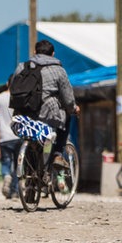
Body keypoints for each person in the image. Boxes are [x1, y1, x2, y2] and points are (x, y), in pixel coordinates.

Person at [11, 40, 80, 171]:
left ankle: (28, 169)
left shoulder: (21, 67)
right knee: (66, 118)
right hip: (48, 114)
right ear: (53, 54)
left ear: (35, 52)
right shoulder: (58, 70)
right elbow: (68, 98)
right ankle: (57, 155)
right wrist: (73, 108)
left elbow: (14, 87)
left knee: (29, 136)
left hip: (25, 112)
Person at [0, 75, 22, 199]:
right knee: (18, 165)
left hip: (4, 137)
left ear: (6, 83)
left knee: (6, 163)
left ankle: (6, 177)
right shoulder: (20, 98)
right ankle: (14, 191)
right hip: (18, 136)